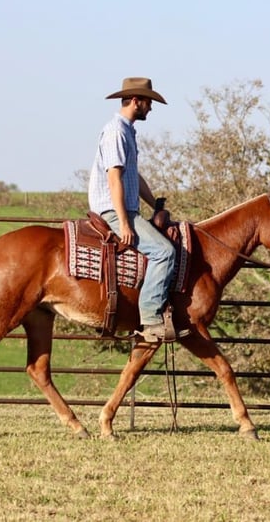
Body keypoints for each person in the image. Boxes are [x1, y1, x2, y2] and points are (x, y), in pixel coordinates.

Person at [88, 77, 181, 343]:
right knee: (164, 252)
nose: (150, 108)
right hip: (115, 211)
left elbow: (134, 177)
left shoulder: (127, 131)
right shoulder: (116, 132)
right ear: (136, 101)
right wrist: (125, 223)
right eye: (149, 102)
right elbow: (114, 178)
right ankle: (151, 320)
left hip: (125, 210)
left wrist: (157, 205)